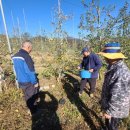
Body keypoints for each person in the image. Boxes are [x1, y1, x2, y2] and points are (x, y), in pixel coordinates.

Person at [99, 42, 130, 130]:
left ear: (111, 56)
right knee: (108, 125)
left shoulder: (121, 72)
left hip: (115, 110)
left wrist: (110, 112)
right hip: (110, 106)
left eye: (105, 55)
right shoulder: (113, 66)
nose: (104, 57)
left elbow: (119, 96)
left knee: (112, 127)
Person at [12, 40, 39, 115]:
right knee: (32, 96)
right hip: (28, 81)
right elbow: (30, 71)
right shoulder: (26, 56)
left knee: (26, 95)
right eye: (31, 48)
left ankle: (29, 108)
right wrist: (35, 82)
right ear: (28, 47)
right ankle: (33, 112)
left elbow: (15, 69)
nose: (31, 50)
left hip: (20, 80)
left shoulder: (15, 56)